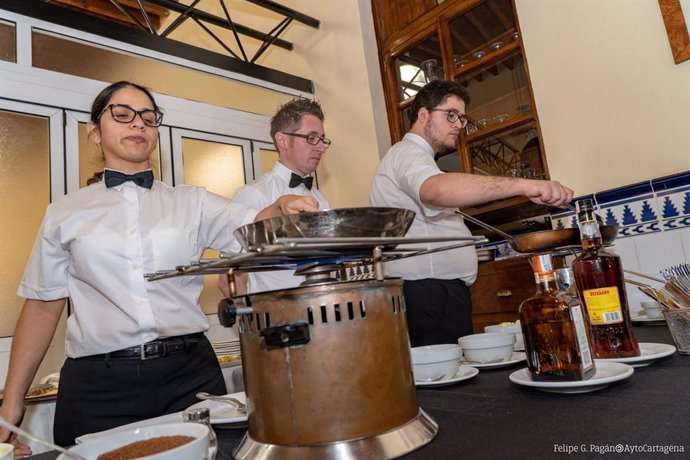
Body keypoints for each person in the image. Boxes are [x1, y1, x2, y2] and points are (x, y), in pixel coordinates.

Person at [0, 81, 317, 453]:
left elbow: (253, 224)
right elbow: (42, 304)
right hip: (97, 389)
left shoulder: (192, 202)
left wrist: (280, 208)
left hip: (187, 378)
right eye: (122, 115)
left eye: (148, 118)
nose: (138, 125)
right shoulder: (63, 214)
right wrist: (13, 399)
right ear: (94, 131)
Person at [369, 80, 574, 347]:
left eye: (462, 118)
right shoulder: (408, 152)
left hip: (437, 291)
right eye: (451, 115)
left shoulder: (419, 159)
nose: (458, 125)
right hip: (427, 293)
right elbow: (435, 191)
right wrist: (524, 185)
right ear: (423, 115)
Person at [219, 98, 330, 295]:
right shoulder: (254, 194)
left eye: (322, 139)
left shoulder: (320, 197)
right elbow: (228, 276)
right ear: (282, 140)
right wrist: (253, 320)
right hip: (276, 318)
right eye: (312, 138)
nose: (321, 147)